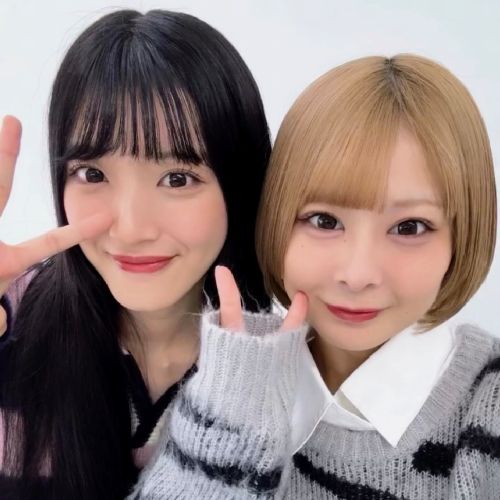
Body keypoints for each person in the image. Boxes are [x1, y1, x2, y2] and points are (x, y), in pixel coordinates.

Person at [130, 54, 499, 499]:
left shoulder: (488, 407)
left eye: (409, 228)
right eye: (324, 221)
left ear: (463, 236)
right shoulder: (220, 381)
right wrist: (225, 431)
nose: (358, 275)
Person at [0, 9, 272, 500]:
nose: (130, 229)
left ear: (240, 183)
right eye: (93, 174)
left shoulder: (283, 372)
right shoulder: (9, 321)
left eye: (177, 178)